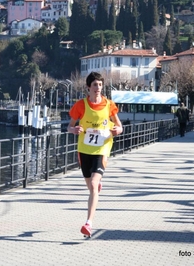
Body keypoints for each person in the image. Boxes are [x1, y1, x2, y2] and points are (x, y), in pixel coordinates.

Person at [67, 71, 123, 237]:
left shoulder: (109, 105)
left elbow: (119, 126)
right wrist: (74, 130)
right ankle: (96, 187)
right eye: (95, 85)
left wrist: (117, 130)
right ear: (88, 88)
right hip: (84, 150)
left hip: (102, 149)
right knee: (91, 187)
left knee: (92, 185)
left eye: (100, 85)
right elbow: (69, 126)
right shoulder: (81, 105)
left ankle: (88, 223)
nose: (98, 88)